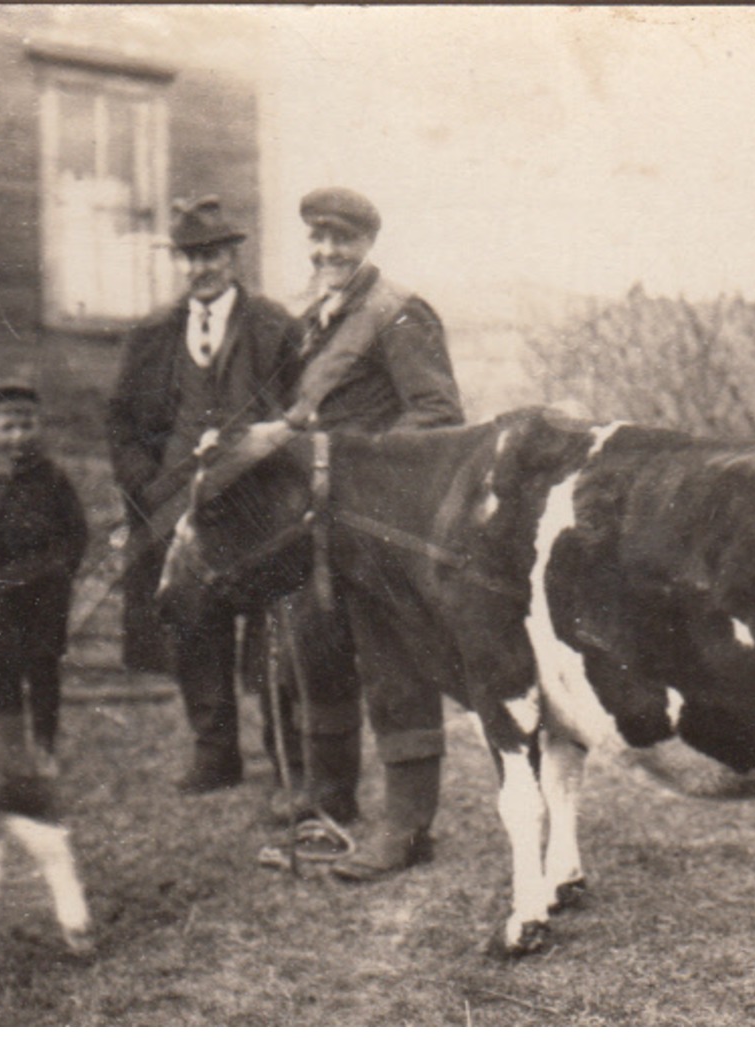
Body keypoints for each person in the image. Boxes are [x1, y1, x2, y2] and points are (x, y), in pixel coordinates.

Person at [274, 187, 464, 882]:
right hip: (318, 524)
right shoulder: (314, 320)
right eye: (318, 240)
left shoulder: (398, 314)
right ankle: (330, 801)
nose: (328, 253)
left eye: (342, 241)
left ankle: (407, 827)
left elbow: (438, 415)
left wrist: (347, 456)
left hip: (379, 524)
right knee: (316, 653)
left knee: (394, 669)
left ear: (368, 244)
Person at [105, 196, 300, 794]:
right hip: (177, 507)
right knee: (193, 621)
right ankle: (215, 752)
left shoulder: (274, 327)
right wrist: (145, 485)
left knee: (273, 627)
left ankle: (284, 751)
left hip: (260, 506)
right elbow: (122, 423)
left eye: (211, 255)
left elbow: (300, 414)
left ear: (234, 257)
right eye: (190, 258)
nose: (200, 269)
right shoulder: (153, 336)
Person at [0, 380, 88, 776]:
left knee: (43, 667)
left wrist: (60, 571)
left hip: (45, 591)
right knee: (1, 672)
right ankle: (11, 751)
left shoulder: (53, 479)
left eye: (27, 425)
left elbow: (76, 532)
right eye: (7, 426)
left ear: (40, 427)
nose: (18, 436)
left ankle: (45, 746)